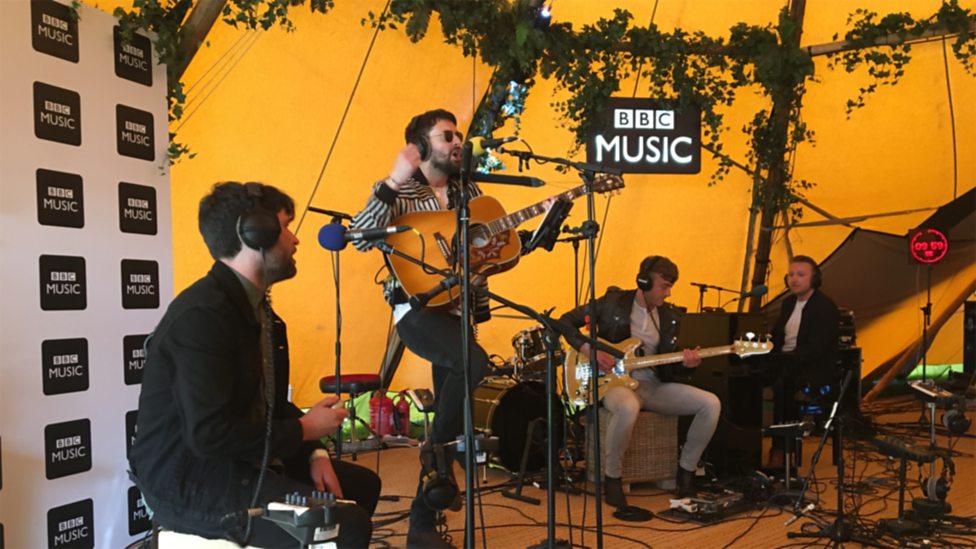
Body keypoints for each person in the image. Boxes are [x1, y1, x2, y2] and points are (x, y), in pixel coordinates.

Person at [129, 182, 380, 548]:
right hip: (190, 480)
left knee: (363, 486)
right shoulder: (202, 317)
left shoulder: (262, 315)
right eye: (286, 226)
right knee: (349, 525)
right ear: (254, 234)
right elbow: (209, 435)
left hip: (237, 461)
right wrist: (304, 429)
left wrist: (314, 450)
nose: (295, 239)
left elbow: (271, 406)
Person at [350, 109, 490, 549]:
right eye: (447, 136)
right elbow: (359, 236)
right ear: (422, 145)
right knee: (474, 363)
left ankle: (421, 525)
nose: (457, 142)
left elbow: (479, 252)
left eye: (458, 134)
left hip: (459, 311)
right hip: (415, 309)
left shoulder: (469, 191)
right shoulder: (402, 191)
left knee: (455, 403)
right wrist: (393, 179)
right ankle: (437, 450)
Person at [559, 256, 720, 506]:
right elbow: (564, 321)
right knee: (628, 406)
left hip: (652, 385)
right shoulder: (612, 303)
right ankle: (612, 477)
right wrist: (589, 350)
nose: (668, 293)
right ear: (644, 282)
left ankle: (686, 472)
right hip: (613, 383)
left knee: (710, 404)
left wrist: (686, 364)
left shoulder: (670, 316)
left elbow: (668, 366)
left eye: (670, 287)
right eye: (663, 286)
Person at [766, 255, 840, 466]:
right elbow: (777, 337)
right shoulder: (788, 303)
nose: (794, 279)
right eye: (791, 274)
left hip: (812, 368)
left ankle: (780, 448)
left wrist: (785, 360)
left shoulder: (825, 307)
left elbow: (816, 349)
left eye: (800, 274)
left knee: (783, 384)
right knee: (747, 377)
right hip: (787, 361)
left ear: (814, 278)